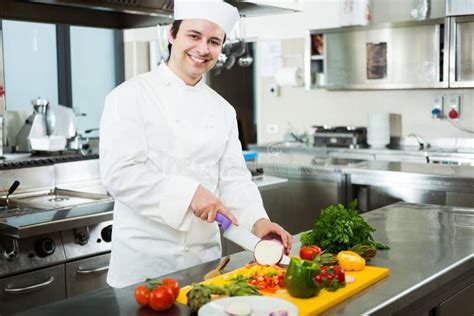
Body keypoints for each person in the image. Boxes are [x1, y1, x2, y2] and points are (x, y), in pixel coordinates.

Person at [99, 0, 292, 288]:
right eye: (194, 36)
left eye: (214, 41)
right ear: (172, 35)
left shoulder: (223, 110)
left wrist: (258, 222)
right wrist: (190, 194)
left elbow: (234, 180)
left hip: (204, 263)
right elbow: (120, 174)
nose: (203, 49)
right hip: (144, 263)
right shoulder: (129, 97)